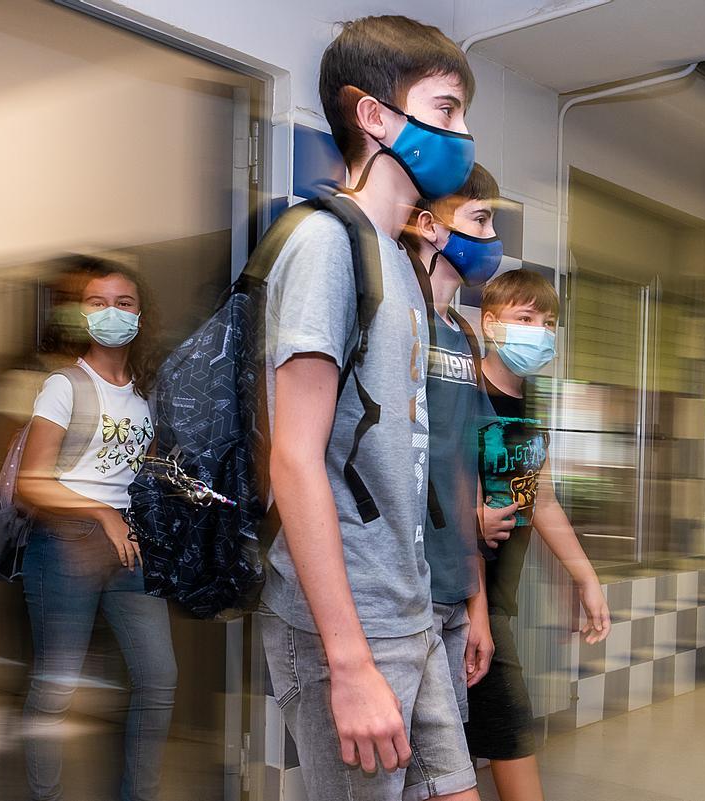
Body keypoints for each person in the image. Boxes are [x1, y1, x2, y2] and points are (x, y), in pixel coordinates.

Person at [258, 15, 482, 801]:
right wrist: (348, 661)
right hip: (344, 630)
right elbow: (294, 455)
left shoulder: (396, 260)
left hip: (407, 608)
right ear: (375, 116)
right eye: (447, 109)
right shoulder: (328, 244)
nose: (462, 132)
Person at [17, 256, 175, 801]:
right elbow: (30, 481)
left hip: (131, 544)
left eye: (124, 303)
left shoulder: (148, 392)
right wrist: (101, 513)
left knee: (158, 683)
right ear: (80, 315)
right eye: (98, 303)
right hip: (66, 543)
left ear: (141, 314)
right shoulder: (64, 385)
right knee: (56, 690)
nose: (112, 314)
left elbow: (145, 471)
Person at [463, 269, 611, 801]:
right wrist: (470, 515)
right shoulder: (464, 394)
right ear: (490, 322)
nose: (540, 332)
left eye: (548, 323)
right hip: (458, 599)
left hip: (496, 598)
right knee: (506, 732)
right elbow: (431, 485)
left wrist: (586, 578)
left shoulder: (529, 403)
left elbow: (539, 497)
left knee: (463, 750)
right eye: (525, 319)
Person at [401, 164, 506, 728]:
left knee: (444, 773)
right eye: (480, 219)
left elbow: (472, 471)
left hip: (450, 593)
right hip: (397, 599)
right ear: (427, 226)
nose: (492, 239)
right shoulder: (401, 323)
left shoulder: (461, 334)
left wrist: (477, 612)